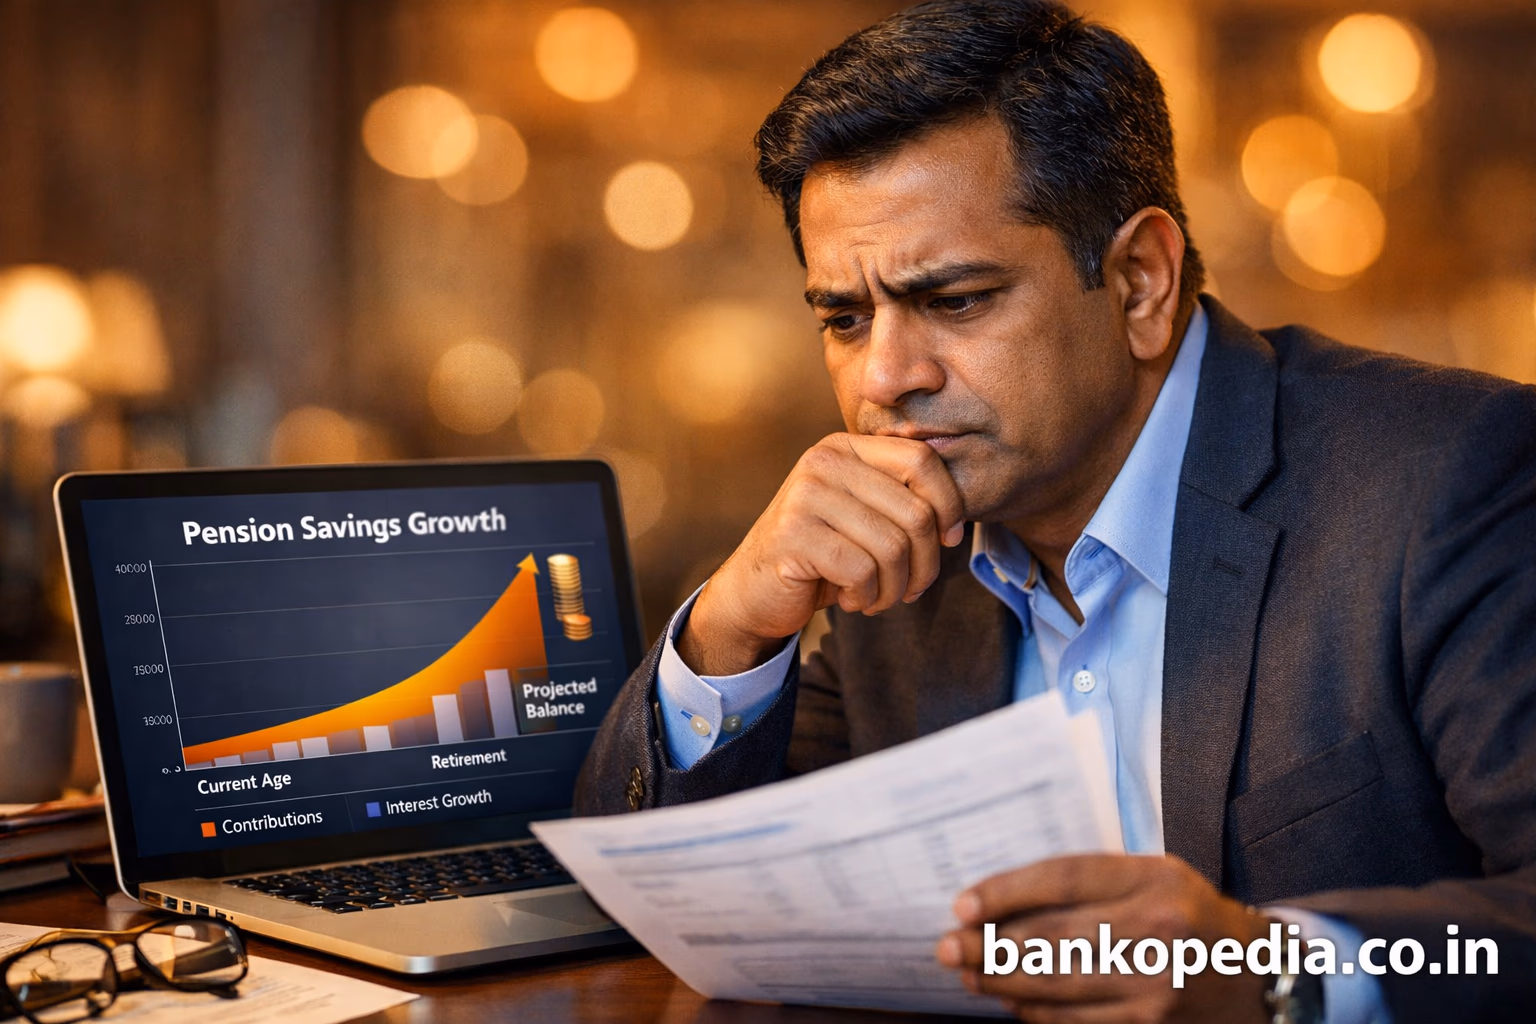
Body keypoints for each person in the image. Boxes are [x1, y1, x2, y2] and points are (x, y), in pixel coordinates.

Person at [574, 2, 1536, 1021]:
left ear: (1140, 282)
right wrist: (733, 628)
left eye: (955, 301)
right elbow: (681, 912)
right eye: (846, 318)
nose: (886, 378)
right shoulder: (902, 554)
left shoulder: (1444, 481)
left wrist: (1277, 973)